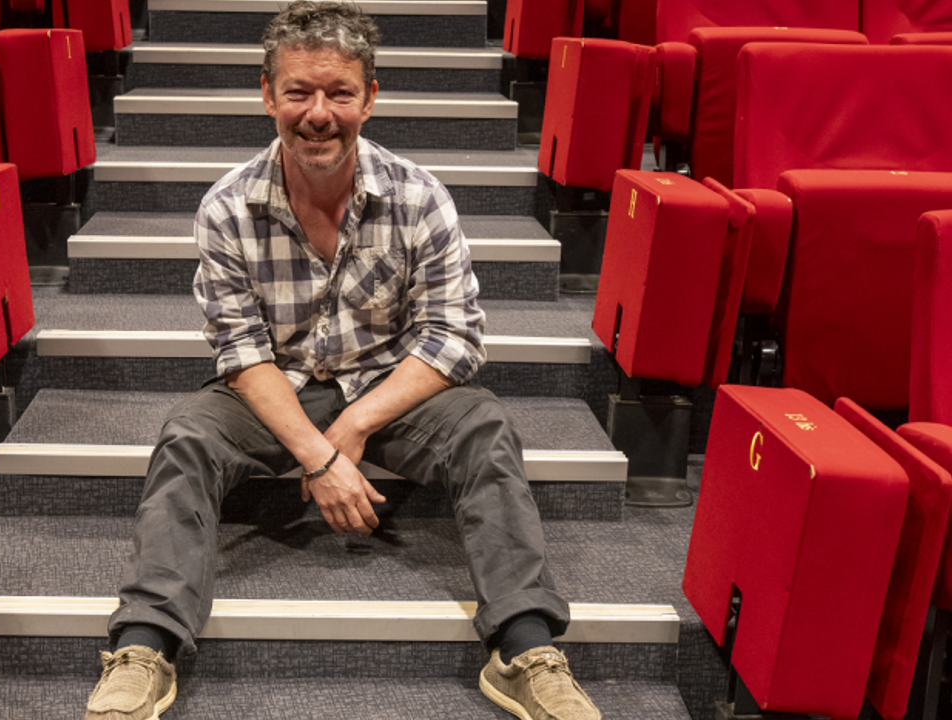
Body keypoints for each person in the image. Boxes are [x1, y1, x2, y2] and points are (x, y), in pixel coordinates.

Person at [84, 3, 601, 719]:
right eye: (298, 92)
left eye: (339, 93)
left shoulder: (420, 197)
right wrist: (320, 457)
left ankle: (523, 649)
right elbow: (241, 352)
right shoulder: (227, 207)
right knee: (187, 435)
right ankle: (145, 646)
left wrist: (354, 425)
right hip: (276, 389)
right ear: (268, 94)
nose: (317, 113)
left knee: (483, 425)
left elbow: (453, 338)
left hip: (391, 390)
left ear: (370, 98)